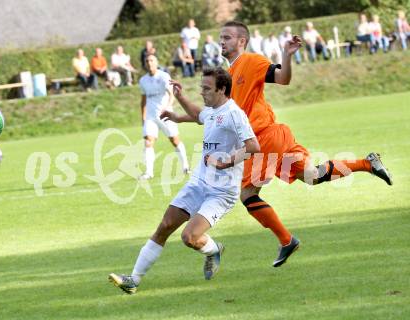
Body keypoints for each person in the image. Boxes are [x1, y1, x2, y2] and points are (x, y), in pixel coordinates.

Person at [219, 21, 393, 267]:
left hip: (264, 138)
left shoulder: (251, 61)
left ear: (241, 42)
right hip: (273, 137)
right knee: (313, 175)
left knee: (247, 194)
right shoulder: (228, 74)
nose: (222, 41)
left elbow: (282, 77)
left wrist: (286, 56)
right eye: (221, 37)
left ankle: (286, 240)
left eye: (227, 37)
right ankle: (367, 163)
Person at [109, 67, 260, 294]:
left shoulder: (234, 114)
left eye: (206, 89)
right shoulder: (213, 109)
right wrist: (179, 102)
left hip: (221, 192)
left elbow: (253, 147)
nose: (202, 92)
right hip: (199, 182)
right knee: (165, 225)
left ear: (222, 90)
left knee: (189, 237)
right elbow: (200, 115)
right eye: (201, 87)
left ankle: (213, 250)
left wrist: (226, 162)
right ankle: (133, 280)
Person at [138, 54, 190, 180]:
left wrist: (167, 106)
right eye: (147, 61)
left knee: (175, 140)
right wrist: (143, 117)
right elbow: (143, 100)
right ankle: (149, 172)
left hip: (165, 115)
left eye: (151, 60)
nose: (149, 63)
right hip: (150, 117)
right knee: (148, 141)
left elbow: (171, 94)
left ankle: (185, 166)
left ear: (156, 62)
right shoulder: (143, 80)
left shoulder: (163, 76)